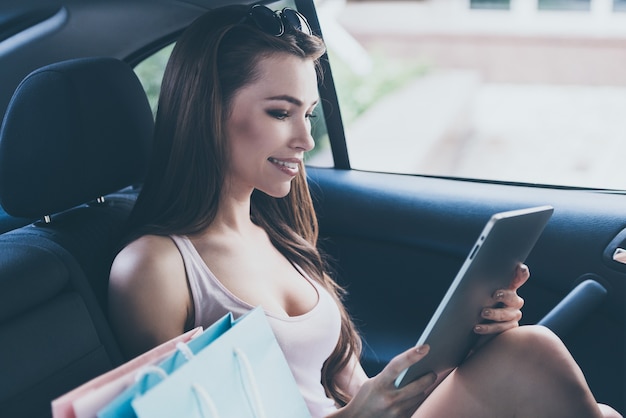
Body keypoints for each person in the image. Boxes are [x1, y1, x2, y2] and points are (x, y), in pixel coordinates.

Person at [108, 4, 621, 417]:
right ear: (207, 109)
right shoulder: (154, 268)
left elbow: (351, 388)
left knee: (524, 353)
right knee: (536, 357)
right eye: (280, 112)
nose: (306, 138)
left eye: (308, 114)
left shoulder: (277, 235)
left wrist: (459, 349)